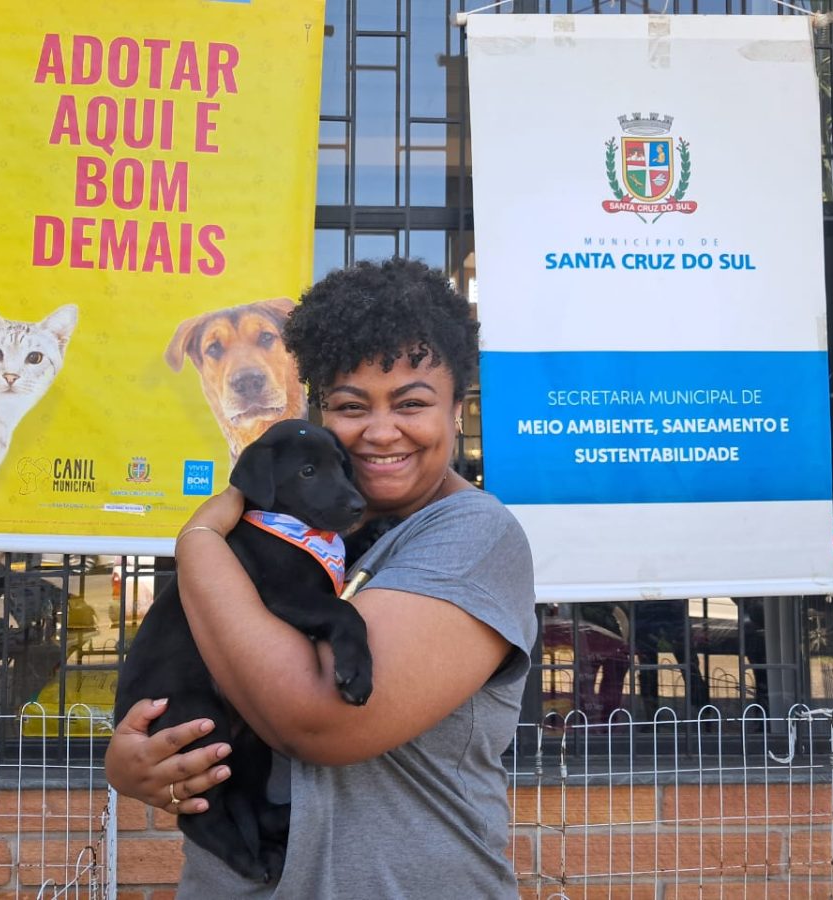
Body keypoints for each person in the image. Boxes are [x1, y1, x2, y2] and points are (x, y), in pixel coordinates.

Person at [105, 258, 537, 897]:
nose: (379, 431)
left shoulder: (472, 536)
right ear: (315, 405)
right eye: (350, 405)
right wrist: (137, 762)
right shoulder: (303, 529)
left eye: (412, 403)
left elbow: (316, 721)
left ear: (457, 410)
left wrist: (197, 545)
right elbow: (202, 673)